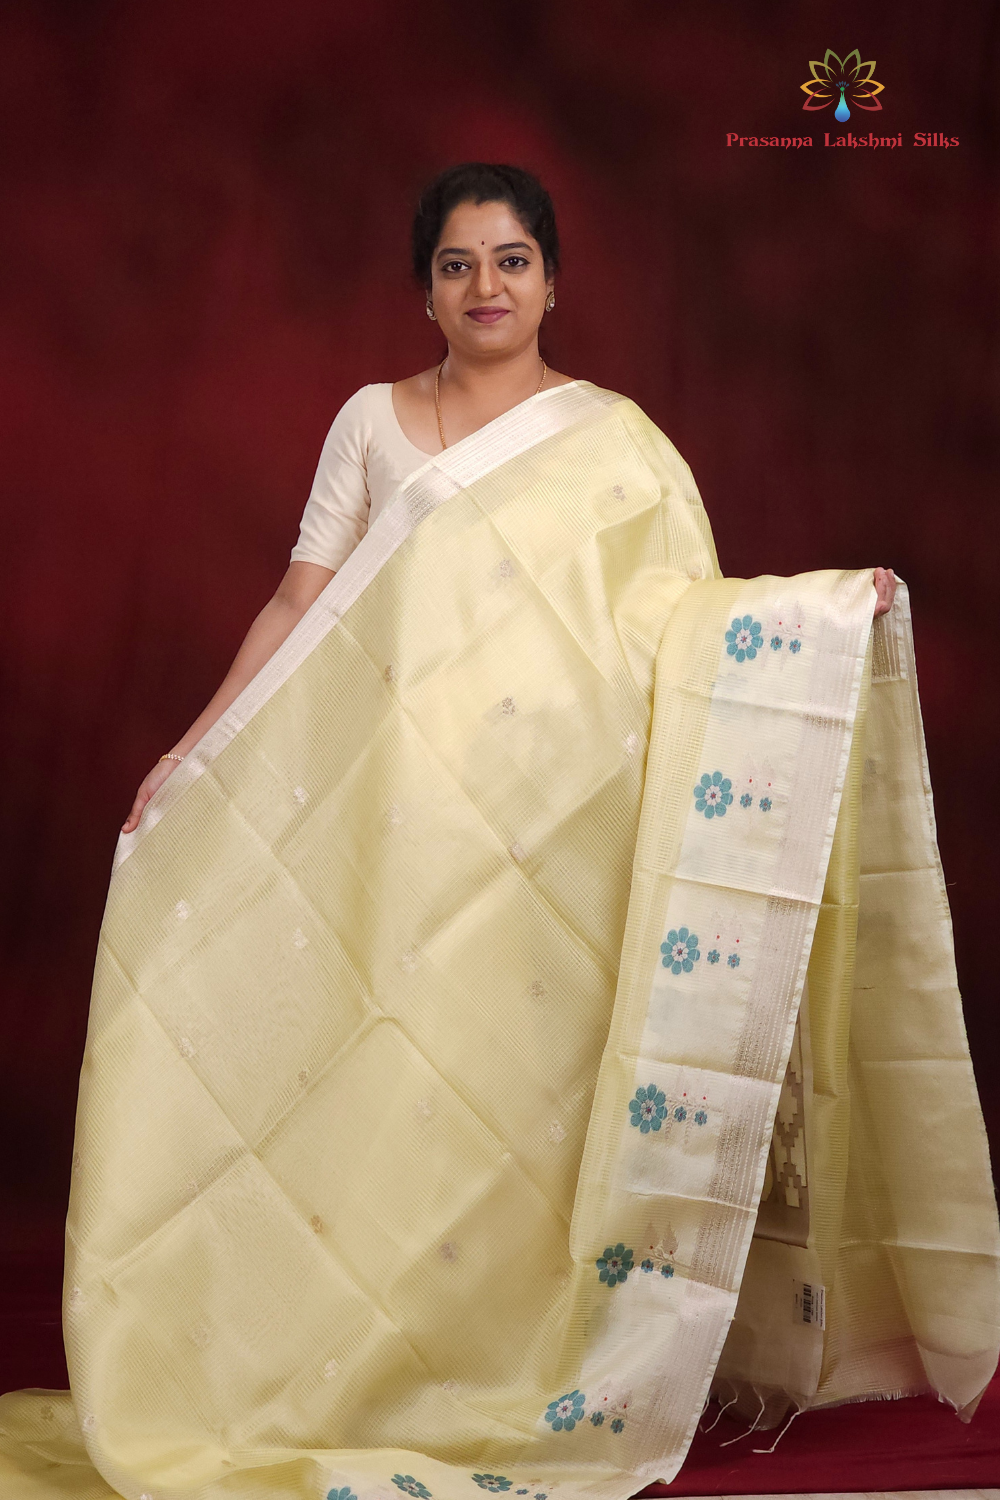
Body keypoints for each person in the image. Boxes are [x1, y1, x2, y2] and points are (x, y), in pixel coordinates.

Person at [1, 162, 994, 1500]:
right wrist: (194, 750)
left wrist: (817, 612)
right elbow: (301, 602)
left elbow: (680, 621)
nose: (486, 286)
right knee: (381, 1084)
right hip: (385, 824)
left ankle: (509, 1362)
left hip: (547, 839)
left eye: (512, 260)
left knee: (513, 1103)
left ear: (552, 282)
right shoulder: (371, 421)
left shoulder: (615, 445)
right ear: (425, 288)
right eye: (458, 263)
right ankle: (349, 1358)